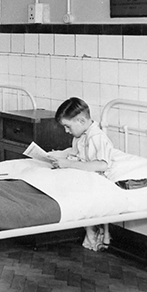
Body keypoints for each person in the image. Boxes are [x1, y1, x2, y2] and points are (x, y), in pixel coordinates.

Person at [48, 97, 117, 251]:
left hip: (96, 178)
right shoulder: (80, 136)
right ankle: (91, 230)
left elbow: (102, 164)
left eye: (67, 126)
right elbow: (77, 154)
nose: (66, 131)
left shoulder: (96, 137)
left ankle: (93, 231)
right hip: (83, 174)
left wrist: (70, 164)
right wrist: (59, 157)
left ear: (81, 120)